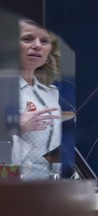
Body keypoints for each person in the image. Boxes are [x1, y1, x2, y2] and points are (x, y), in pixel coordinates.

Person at [12, 19, 62, 181]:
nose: (37, 45)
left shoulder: (51, 94)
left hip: (47, 190)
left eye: (44, 41)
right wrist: (16, 127)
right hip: (10, 188)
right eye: (27, 39)